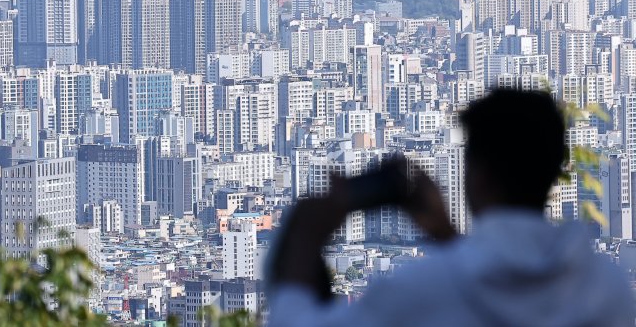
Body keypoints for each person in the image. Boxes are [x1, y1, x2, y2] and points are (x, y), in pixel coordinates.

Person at [267, 89, 634, 326]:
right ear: (554, 172)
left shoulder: (417, 292)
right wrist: (447, 236)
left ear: (478, 177)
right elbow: (495, 283)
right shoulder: (604, 288)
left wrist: (306, 235)